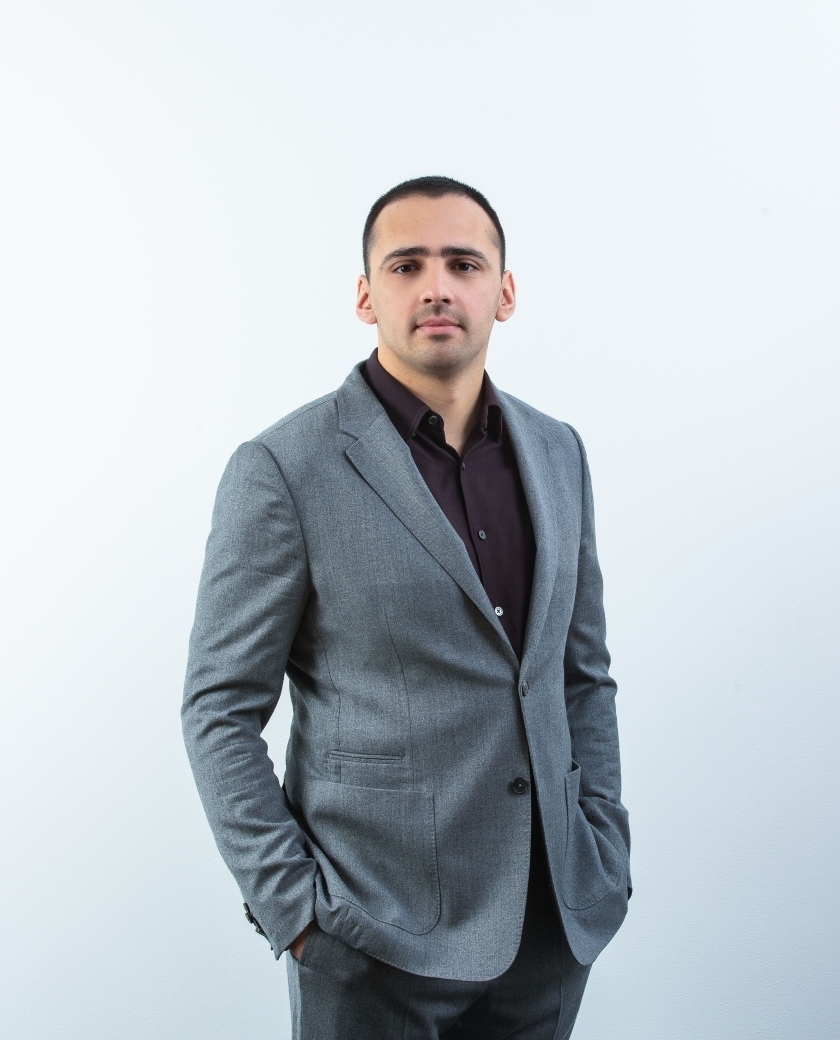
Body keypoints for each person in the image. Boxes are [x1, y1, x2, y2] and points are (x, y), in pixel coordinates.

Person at [182, 175, 631, 1039]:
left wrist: (602, 847)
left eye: (464, 264)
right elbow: (218, 708)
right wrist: (296, 912)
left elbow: (582, 675)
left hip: (550, 928)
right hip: (373, 939)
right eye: (406, 265)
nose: (436, 287)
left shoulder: (557, 451)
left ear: (504, 292)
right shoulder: (284, 468)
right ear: (366, 296)